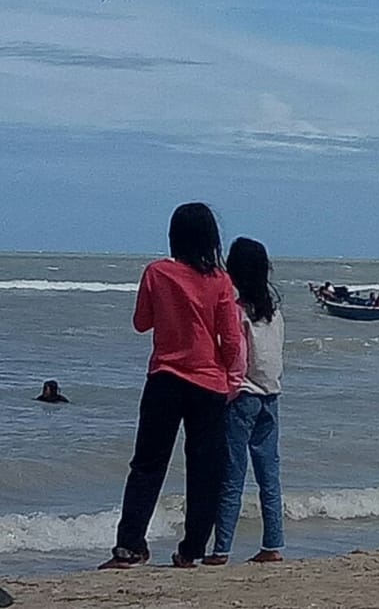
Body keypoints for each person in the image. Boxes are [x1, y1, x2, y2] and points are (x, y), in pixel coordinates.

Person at [100, 203, 243, 570]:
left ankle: (129, 546)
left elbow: (141, 322)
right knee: (204, 469)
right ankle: (191, 549)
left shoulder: (157, 272)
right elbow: (230, 338)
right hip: (208, 383)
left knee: (147, 465)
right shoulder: (220, 281)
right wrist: (233, 379)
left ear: (173, 236)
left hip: (165, 377)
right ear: (212, 238)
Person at [206, 238, 285, 566]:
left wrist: (228, 391)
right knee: (269, 474)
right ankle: (274, 543)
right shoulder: (275, 313)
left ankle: (221, 548)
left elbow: (238, 358)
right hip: (272, 394)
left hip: (244, 397)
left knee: (232, 474)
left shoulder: (238, 313)